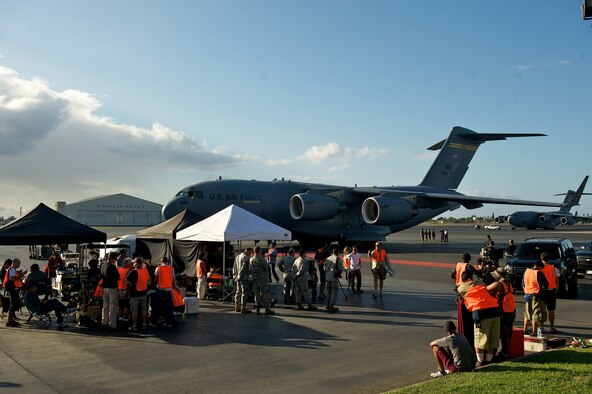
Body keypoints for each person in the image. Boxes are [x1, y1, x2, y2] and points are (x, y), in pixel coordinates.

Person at [457, 271, 501, 366]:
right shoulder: (480, 283)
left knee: (480, 339)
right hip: (495, 311)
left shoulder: (461, 288)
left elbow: (460, 295)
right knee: (493, 338)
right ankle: (489, 360)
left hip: (481, 312)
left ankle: (480, 361)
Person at [451, 253, 478, 351]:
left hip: (458, 287)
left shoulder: (458, 265)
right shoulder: (468, 266)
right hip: (466, 287)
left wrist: (456, 280)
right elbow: (476, 273)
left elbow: (452, 274)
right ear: (469, 259)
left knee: (460, 307)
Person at [487, 267, 516, 359]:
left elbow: (485, 289)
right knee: (507, 333)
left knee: (503, 334)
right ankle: (506, 351)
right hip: (511, 310)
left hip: (503, 311)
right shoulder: (508, 283)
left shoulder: (498, 284)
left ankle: (504, 353)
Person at [522, 260, 548, 336]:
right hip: (536, 295)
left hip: (527, 294)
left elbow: (523, 284)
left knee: (527, 313)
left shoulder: (526, 272)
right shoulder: (539, 273)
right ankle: (534, 332)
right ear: (540, 267)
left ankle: (525, 330)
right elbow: (545, 285)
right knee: (535, 314)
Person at [127, 257, 150, 331]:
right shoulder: (145, 270)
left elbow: (128, 282)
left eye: (134, 262)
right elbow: (147, 277)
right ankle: (144, 324)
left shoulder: (134, 272)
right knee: (144, 309)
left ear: (136, 264)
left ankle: (134, 325)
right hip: (143, 292)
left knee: (134, 310)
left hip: (135, 294)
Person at [250, 246, 274, 315]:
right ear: (259, 251)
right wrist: (267, 278)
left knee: (256, 294)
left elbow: (250, 270)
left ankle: (258, 309)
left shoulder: (251, 260)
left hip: (254, 279)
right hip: (262, 279)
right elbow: (266, 269)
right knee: (264, 294)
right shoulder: (262, 260)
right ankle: (267, 309)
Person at [152, 257, 175, 327]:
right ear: (167, 261)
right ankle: (169, 323)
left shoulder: (158, 268)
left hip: (160, 289)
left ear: (161, 261)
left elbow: (155, 279)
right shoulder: (171, 269)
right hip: (168, 290)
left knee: (157, 306)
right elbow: (173, 279)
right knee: (169, 307)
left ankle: (154, 322)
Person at [540, 252, 559, 333]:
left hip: (542, 291)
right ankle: (552, 327)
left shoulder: (540, 268)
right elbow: (557, 281)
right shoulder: (553, 268)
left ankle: (541, 327)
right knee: (551, 310)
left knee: (542, 309)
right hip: (551, 290)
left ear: (541, 259)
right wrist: (556, 290)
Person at [101, 252, 120, 330]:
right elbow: (118, 277)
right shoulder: (112, 267)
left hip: (105, 287)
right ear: (111, 258)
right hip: (112, 288)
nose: (115, 260)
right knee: (113, 306)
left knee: (105, 306)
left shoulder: (103, 266)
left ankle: (104, 323)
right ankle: (112, 325)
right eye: (115, 259)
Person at [3, 259, 24, 327]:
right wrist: (20, 276)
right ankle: (9, 321)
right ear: (15, 263)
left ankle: (11, 320)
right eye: (19, 263)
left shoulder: (12, 269)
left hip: (13, 289)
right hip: (13, 289)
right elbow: (12, 278)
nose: (19, 265)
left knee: (13, 304)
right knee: (13, 305)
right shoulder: (12, 270)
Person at [233, 248, 253, 313]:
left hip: (237, 277)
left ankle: (237, 307)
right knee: (244, 293)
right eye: (250, 252)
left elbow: (234, 267)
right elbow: (243, 268)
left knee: (238, 292)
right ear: (247, 251)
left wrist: (235, 276)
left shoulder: (238, 257)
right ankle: (243, 307)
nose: (251, 254)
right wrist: (240, 275)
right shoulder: (246, 258)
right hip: (244, 278)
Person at [324, 248, 343, 313]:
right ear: (337, 252)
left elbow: (324, 268)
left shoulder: (328, 258)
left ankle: (328, 304)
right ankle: (331, 306)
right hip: (333, 278)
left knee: (329, 291)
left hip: (327, 277)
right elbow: (340, 268)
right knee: (334, 292)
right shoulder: (337, 258)